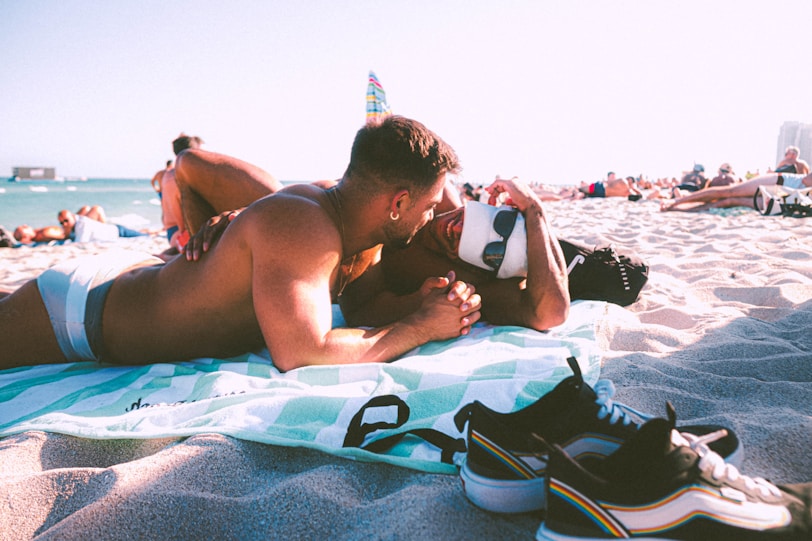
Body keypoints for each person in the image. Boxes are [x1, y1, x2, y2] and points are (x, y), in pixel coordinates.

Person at [0, 115, 480, 374]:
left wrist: (420, 304)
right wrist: (419, 327)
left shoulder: (359, 234)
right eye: (428, 205)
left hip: (131, 281)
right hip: (80, 314)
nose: (431, 217)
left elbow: (363, 309)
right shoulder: (303, 224)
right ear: (398, 202)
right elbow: (301, 353)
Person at [660, 171, 812, 212]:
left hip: (788, 200)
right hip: (784, 182)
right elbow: (806, 180)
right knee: (730, 192)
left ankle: (681, 209)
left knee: (730, 201)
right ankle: (677, 201)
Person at [161, 134, 205, 252]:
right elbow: (176, 209)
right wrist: (183, 232)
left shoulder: (169, 174)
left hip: (173, 230)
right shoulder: (175, 177)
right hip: (178, 232)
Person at [57, 208, 147, 242]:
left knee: (145, 236)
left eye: (66, 220)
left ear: (73, 216)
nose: (64, 224)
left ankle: (150, 232)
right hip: (116, 232)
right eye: (61, 223)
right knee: (142, 234)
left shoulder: (82, 224)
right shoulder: (74, 226)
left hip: (119, 232)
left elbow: (80, 242)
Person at [578, 172, 643, 199]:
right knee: (584, 193)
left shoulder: (622, 180)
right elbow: (640, 195)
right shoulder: (628, 193)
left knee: (581, 189)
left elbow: (609, 183)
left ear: (628, 179)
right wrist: (633, 188)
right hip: (602, 195)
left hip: (600, 188)